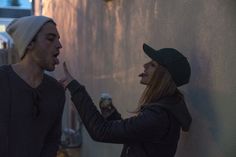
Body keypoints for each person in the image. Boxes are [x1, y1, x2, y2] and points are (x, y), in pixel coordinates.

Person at [60, 43, 192, 157]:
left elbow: (100, 131)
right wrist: (110, 114)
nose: (145, 65)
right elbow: (133, 135)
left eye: (152, 65)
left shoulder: (158, 116)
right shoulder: (163, 110)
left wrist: (75, 89)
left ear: (163, 75)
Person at [0, 16, 65, 157]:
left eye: (58, 39)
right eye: (50, 38)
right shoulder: (3, 80)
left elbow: (52, 142)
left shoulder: (56, 91)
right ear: (29, 43)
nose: (59, 45)